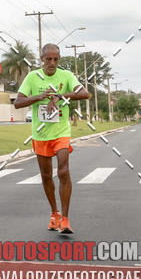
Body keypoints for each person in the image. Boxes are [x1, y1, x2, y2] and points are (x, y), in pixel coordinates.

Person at [13, 43, 89, 235]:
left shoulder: (66, 76)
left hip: (61, 132)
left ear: (59, 60)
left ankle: (65, 218)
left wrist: (61, 96)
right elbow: (18, 102)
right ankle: (54, 213)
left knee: (63, 171)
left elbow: (85, 93)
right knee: (46, 176)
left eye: (56, 59)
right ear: (42, 59)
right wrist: (39, 97)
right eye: (49, 59)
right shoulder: (32, 77)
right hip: (40, 134)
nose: (52, 63)